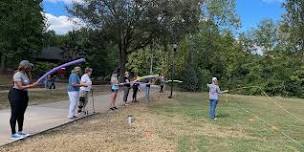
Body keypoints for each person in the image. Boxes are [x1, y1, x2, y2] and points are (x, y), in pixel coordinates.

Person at [8, 60, 39, 140]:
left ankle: (20, 131)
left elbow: (28, 83)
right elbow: (20, 87)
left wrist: (30, 77)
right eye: (29, 67)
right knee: (15, 113)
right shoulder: (17, 74)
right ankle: (13, 134)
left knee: (21, 114)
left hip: (24, 95)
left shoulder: (25, 74)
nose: (30, 68)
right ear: (25, 67)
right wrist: (32, 85)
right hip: (16, 94)